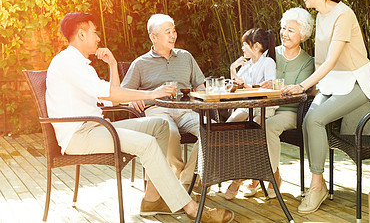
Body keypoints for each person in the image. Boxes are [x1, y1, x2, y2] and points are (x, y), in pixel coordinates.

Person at [46, 12, 233, 222]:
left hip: (97, 127)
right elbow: (109, 94)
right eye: (94, 32)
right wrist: (151, 94)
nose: (98, 38)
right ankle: (191, 207)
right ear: (81, 34)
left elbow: (111, 101)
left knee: (160, 126)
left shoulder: (79, 64)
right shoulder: (68, 63)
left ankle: (152, 199)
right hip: (80, 135)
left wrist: (113, 65)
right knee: (146, 143)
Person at [282, 0, 370, 214]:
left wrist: (302, 86)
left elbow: (331, 60)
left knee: (314, 119)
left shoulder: (343, 15)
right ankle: (319, 183)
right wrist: (313, 88)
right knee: (307, 120)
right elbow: (320, 61)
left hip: (356, 82)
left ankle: (316, 186)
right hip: (332, 83)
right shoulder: (321, 17)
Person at [224, 8, 315, 200]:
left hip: (288, 110)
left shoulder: (307, 62)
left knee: (266, 126)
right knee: (243, 124)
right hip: (260, 106)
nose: (284, 33)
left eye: (291, 30)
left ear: (303, 34)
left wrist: (278, 88)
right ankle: (257, 176)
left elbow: (303, 89)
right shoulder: (269, 53)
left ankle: (267, 177)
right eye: (283, 28)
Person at [121, 14, 205, 188]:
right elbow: (123, 94)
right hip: (158, 110)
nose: (173, 35)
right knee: (169, 132)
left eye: (174, 31)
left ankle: (186, 179)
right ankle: (180, 175)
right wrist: (132, 101)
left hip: (186, 111)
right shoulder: (140, 63)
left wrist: (203, 97)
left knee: (210, 130)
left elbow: (200, 86)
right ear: (154, 37)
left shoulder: (186, 57)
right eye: (168, 32)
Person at [227, 27, 277, 123]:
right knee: (229, 124)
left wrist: (246, 86)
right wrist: (233, 68)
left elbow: (269, 87)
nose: (242, 48)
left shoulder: (268, 62)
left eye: (245, 45)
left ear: (256, 46)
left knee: (253, 127)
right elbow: (236, 84)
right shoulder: (247, 64)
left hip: (264, 106)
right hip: (248, 105)